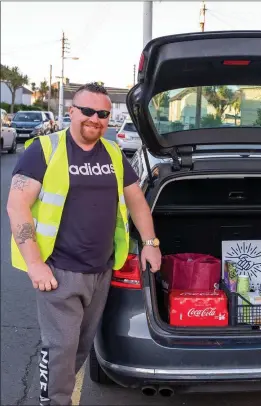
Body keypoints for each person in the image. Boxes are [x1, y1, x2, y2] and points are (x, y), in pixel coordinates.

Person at [7, 82, 162, 406]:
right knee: (60, 347)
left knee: (80, 345)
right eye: (88, 111)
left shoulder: (114, 154)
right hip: (59, 271)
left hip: (102, 270)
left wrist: (150, 243)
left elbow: (136, 202)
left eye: (103, 113)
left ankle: (60, 393)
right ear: (71, 112)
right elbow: (16, 205)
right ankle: (54, 401)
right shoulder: (46, 149)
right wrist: (35, 264)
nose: (95, 118)